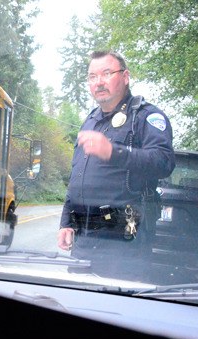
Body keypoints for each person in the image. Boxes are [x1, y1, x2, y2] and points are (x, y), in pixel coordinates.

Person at [57, 50, 175, 282]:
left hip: (124, 237)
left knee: (117, 307)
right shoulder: (90, 120)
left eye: (106, 73)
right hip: (84, 238)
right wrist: (67, 222)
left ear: (125, 76)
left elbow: (164, 162)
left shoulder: (145, 116)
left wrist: (113, 152)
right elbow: (78, 175)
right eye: (92, 76)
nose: (98, 82)